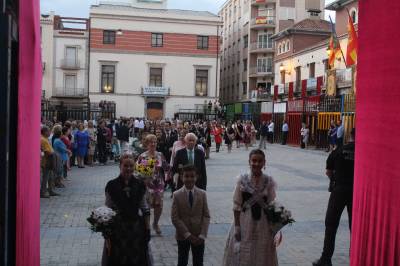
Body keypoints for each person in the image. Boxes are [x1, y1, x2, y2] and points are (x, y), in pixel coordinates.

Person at [223, 149, 278, 266]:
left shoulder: (269, 181)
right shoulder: (242, 180)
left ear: (264, 163)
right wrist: (237, 226)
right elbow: (236, 205)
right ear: (249, 162)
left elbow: (272, 205)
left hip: (263, 224)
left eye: (260, 161)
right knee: (243, 251)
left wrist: (277, 230)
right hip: (244, 221)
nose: (256, 164)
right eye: (254, 160)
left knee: (262, 253)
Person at [313, 129, 355, 266]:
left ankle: (326, 259)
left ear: (350, 136)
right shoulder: (365, 152)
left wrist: (335, 179)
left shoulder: (338, 151)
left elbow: (328, 171)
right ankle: (354, 257)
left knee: (331, 224)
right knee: (354, 226)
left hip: (339, 190)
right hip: (356, 192)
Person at [102, 154, 152, 266]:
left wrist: (147, 229)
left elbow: (145, 208)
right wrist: (106, 233)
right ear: (120, 166)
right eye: (125, 165)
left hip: (136, 229)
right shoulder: (111, 185)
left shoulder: (140, 184)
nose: (128, 168)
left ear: (134, 166)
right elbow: (107, 209)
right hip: (118, 229)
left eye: (131, 166)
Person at [171, 164, 210, 266]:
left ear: (196, 177)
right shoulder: (177, 195)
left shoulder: (202, 194)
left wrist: (203, 234)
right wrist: (187, 234)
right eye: (186, 176)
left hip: (199, 236)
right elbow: (175, 217)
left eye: (192, 176)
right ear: (181, 177)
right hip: (183, 235)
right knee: (182, 260)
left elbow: (206, 215)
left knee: (198, 261)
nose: (189, 179)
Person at [137, 134, 170, 235]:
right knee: (146, 206)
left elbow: (166, 167)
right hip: (147, 184)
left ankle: (155, 223)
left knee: (158, 205)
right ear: (147, 144)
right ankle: (147, 226)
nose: (153, 144)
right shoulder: (143, 156)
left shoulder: (160, 155)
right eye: (151, 142)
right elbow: (138, 173)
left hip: (158, 184)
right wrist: (143, 176)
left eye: (155, 142)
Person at [40, 126, 55, 198]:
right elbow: (46, 151)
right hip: (47, 160)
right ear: (45, 132)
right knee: (46, 177)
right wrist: (52, 153)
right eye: (49, 131)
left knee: (50, 176)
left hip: (49, 159)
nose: (50, 132)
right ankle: (43, 192)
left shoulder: (45, 139)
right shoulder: (43, 139)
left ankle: (50, 190)